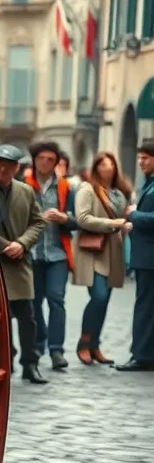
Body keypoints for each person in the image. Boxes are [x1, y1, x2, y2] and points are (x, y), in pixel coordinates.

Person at [0, 144, 49, 384]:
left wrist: (22, 244)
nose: (3, 169)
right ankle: (4, 361)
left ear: (17, 168)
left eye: (9, 165)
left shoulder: (26, 191)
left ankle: (30, 364)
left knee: (28, 318)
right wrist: (6, 245)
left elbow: (38, 222)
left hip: (20, 263)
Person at [73, 151, 132, 366]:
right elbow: (82, 218)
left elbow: (123, 218)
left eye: (111, 164)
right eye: (104, 164)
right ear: (96, 167)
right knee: (98, 296)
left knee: (104, 301)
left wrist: (124, 224)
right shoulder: (87, 189)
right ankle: (84, 343)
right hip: (92, 251)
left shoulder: (119, 193)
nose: (109, 168)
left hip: (113, 251)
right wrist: (113, 224)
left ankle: (95, 345)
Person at [23, 141, 76, 371]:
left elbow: (76, 220)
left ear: (56, 162)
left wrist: (65, 218)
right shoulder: (23, 185)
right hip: (32, 253)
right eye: (41, 158)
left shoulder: (65, 187)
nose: (45, 163)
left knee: (56, 300)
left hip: (58, 254)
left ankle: (56, 350)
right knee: (34, 302)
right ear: (34, 160)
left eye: (50, 159)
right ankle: (38, 345)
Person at [119, 140, 154, 371]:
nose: (141, 162)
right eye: (140, 157)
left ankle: (141, 356)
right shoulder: (148, 183)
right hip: (146, 256)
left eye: (146, 158)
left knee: (144, 308)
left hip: (149, 258)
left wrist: (134, 214)